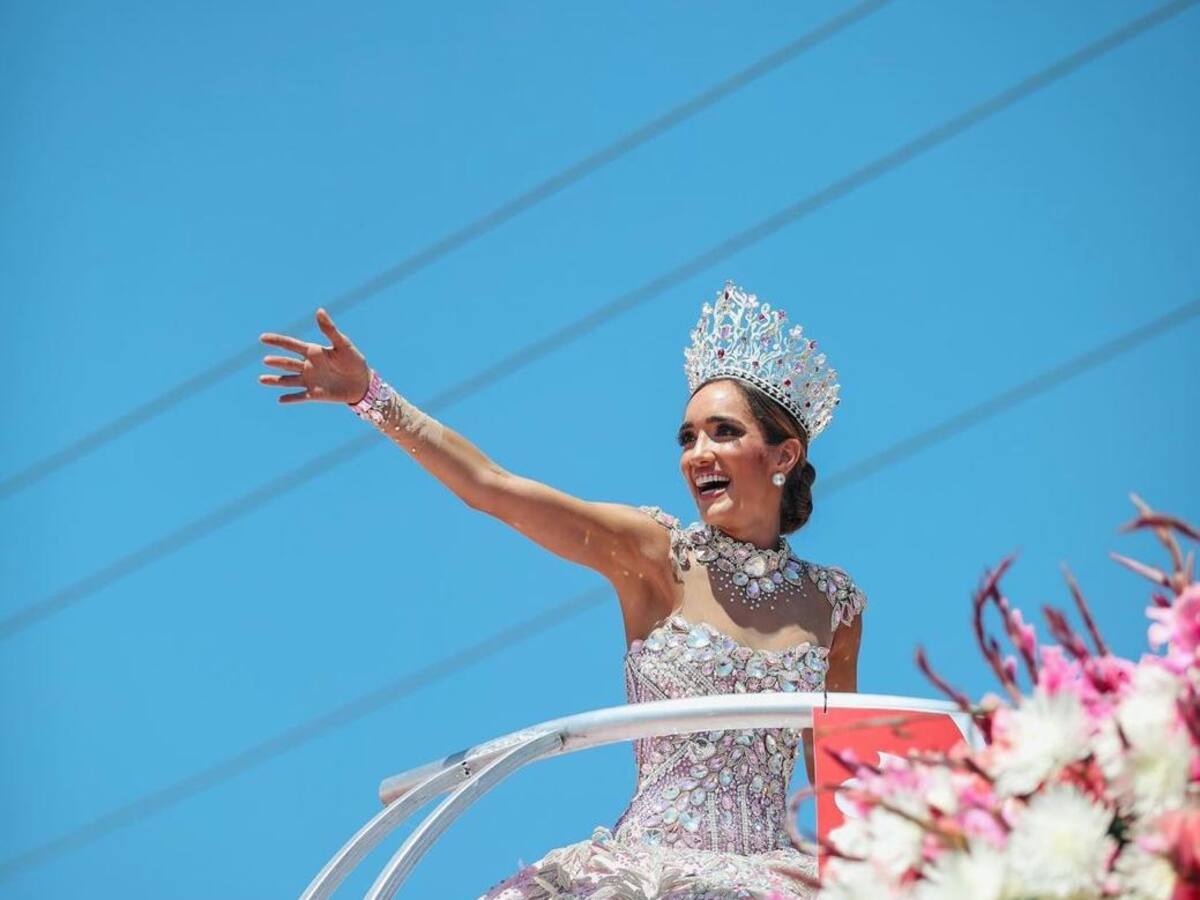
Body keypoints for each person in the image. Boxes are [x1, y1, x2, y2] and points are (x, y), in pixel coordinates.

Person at [258, 280, 865, 899]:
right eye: (687, 438)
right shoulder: (656, 554)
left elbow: (842, 794)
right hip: (643, 876)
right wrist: (371, 396)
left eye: (723, 432)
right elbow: (492, 486)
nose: (697, 454)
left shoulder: (833, 606)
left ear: (783, 454)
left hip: (774, 880)